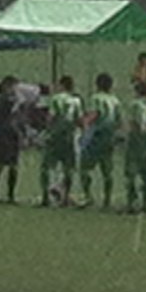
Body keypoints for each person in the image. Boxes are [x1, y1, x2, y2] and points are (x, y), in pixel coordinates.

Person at [80, 73, 121, 209]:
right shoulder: (115, 100)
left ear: (97, 84)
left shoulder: (96, 98)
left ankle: (88, 196)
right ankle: (107, 200)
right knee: (107, 170)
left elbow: (95, 114)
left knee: (85, 168)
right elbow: (118, 121)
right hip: (109, 137)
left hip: (97, 136)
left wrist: (85, 124)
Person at [40, 75, 82, 207]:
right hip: (69, 137)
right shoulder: (76, 101)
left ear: (62, 85)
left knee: (46, 167)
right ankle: (65, 198)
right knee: (68, 168)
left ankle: (45, 198)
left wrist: (47, 131)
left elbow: (51, 117)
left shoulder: (56, 98)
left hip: (55, 136)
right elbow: (79, 120)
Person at [124, 80, 146, 214]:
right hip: (142, 141)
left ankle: (136, 203)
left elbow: (134, 123)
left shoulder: (140, 106)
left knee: (136, 173)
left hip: (140, 141)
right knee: (141, 173)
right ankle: (140, 203)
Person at [0, 76, 22, 204]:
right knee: (8, 165)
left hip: (2, 134)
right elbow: (13, 117)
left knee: (2, 164)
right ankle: (9, 195)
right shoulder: (8, 101)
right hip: (7, 135)